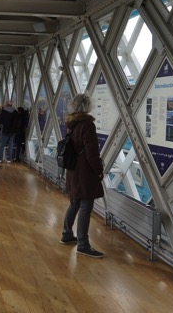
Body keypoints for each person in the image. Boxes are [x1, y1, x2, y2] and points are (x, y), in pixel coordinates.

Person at [60, 93, 105, 258]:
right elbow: (92, 153)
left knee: (74, 203)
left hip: (73, 170)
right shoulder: (87, 125)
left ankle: (66, 234)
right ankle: (83, 244)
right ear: (87, 106)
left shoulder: (71, 123)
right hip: (84, 172)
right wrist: (99, 170)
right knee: (86, 206)